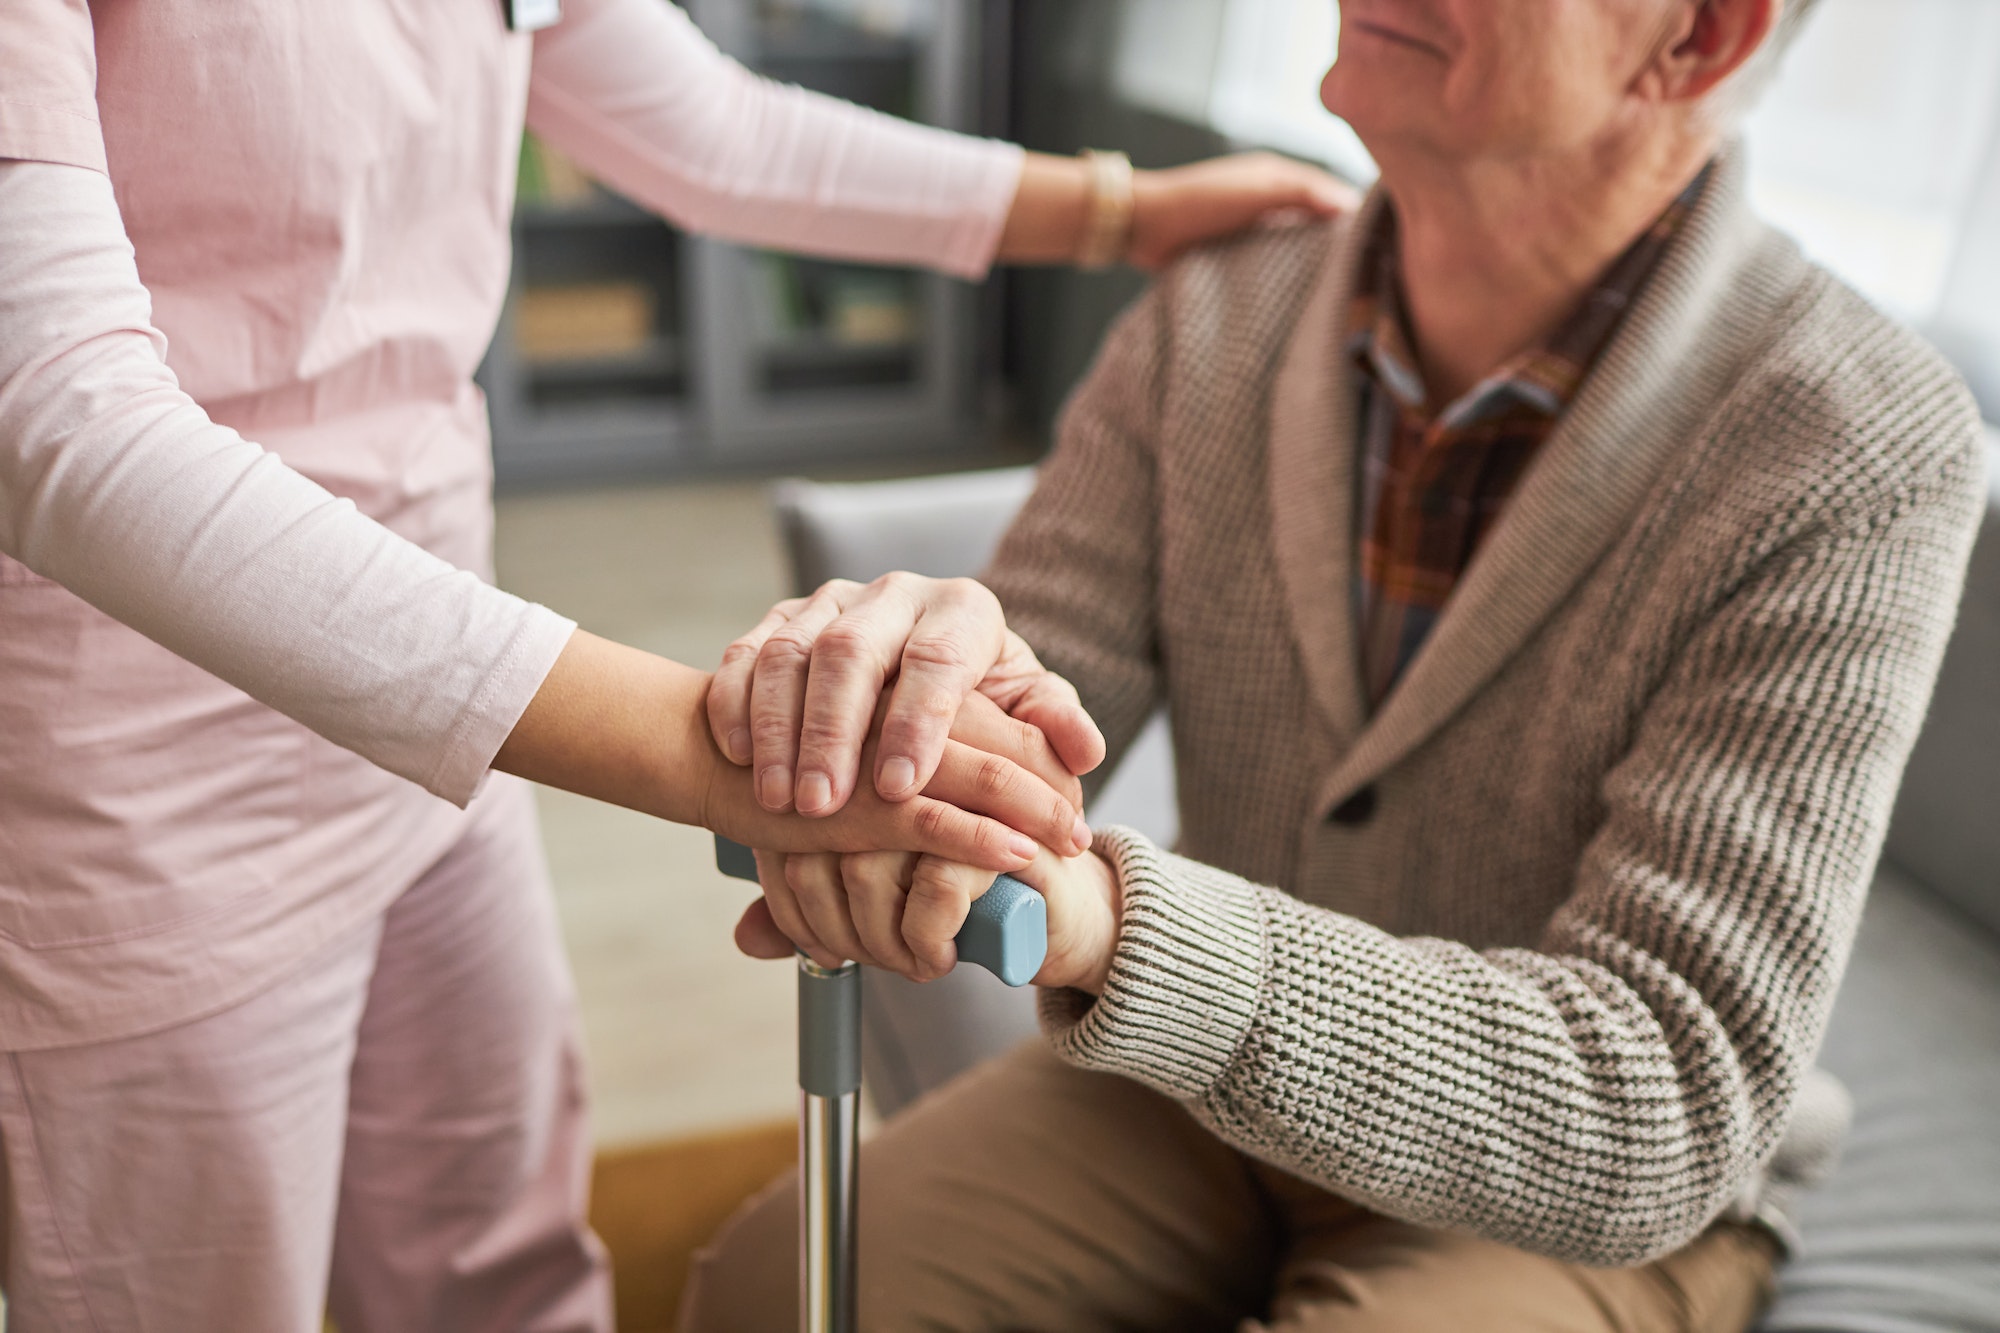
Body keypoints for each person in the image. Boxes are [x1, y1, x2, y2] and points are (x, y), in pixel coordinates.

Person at [0, 1, 1356, 1327]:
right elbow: (56, 417)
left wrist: (1125, 215)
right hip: (143, 774)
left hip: (426, 703)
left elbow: (707, 126)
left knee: (501, 1263)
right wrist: (714, 754)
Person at [689, 0, 1991, 1328]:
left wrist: (1120, 924)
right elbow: (1011, 721)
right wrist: (903, 689)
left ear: (1699, 39)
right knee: (773, 1296)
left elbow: (1659, 1088)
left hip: (1568, 1198)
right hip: (1199, 1095)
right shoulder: (1221, 306)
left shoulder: (1858, 440)